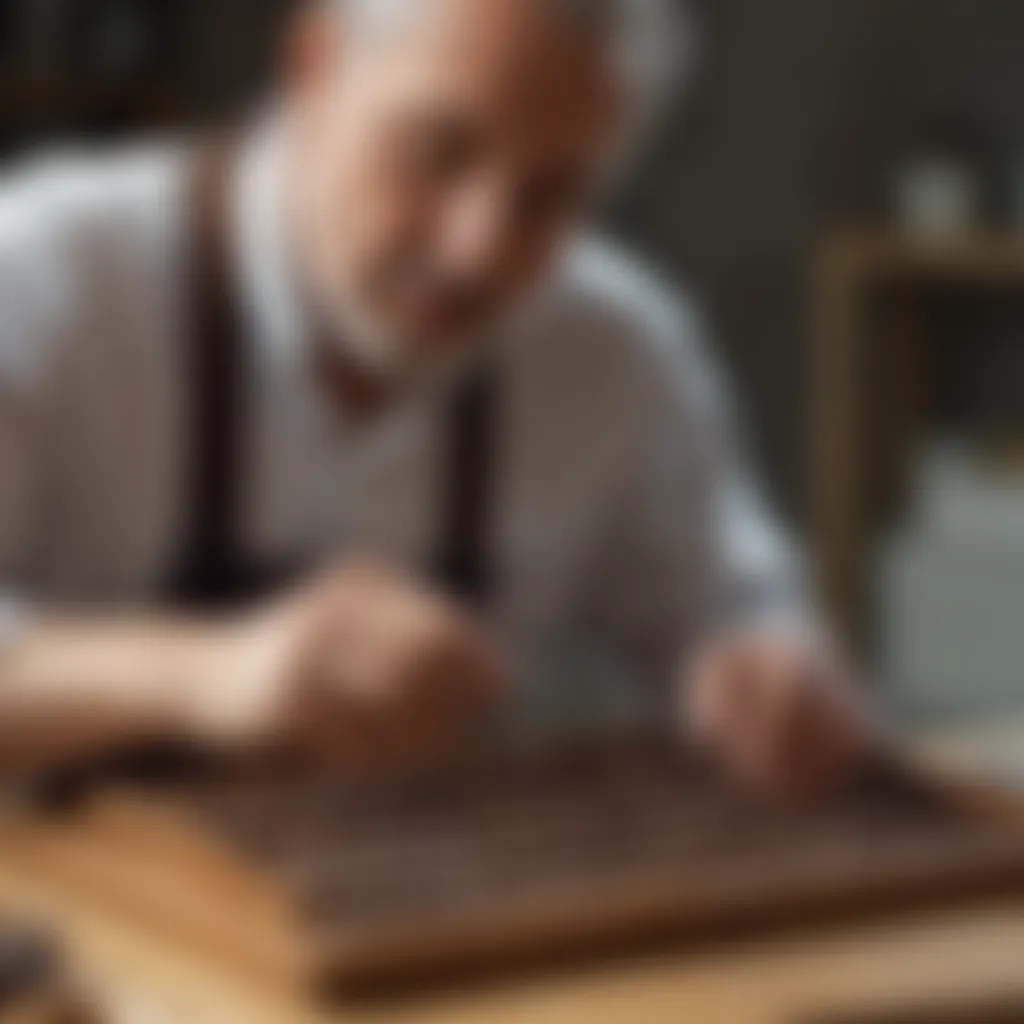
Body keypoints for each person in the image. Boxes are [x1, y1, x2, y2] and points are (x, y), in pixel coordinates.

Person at [0, 0, 870, 796]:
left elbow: (742, 616)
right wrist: (203, 676)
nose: (477, 250)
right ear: (314, 66)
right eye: (437, 152)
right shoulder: (42, 277)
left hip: (436, 941)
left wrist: (774, 678)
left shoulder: (620, 352)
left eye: (551, 197)